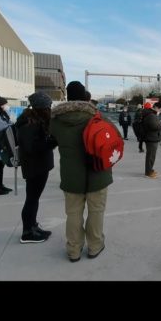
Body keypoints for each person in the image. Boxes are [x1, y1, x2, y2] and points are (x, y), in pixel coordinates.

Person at [49, 80, 112, 262]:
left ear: (67, 96)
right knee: (96, 211)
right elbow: (111, 135)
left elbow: (51, 138)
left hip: (71, 175)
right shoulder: (96, 116)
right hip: (97, 172)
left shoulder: (56, 120)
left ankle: (74, 250)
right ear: (85, 95)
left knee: (73, 213)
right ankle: (95, 246)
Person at [16, 91, 57, 244]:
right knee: (31, 199)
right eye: (48, 106)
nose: (50, 108)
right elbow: (30, 147)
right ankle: (27, 232)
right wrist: (53, 142)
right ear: (41, 107)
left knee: (34, 198)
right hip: (34, 167)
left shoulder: (34, 119)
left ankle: (33, 226)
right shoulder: (28, 122)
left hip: (38, 165)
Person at [142, 100, 161, 177]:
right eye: (160, 109)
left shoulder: (152, 114)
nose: (160, 111)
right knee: (151, 156)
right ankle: (148, 172)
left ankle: (150, 170)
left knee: (151, 156)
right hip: (151, 138)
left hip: (152, 137)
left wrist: (158, 121)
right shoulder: (151, 115)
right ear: (156, 108)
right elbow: (154, 126)